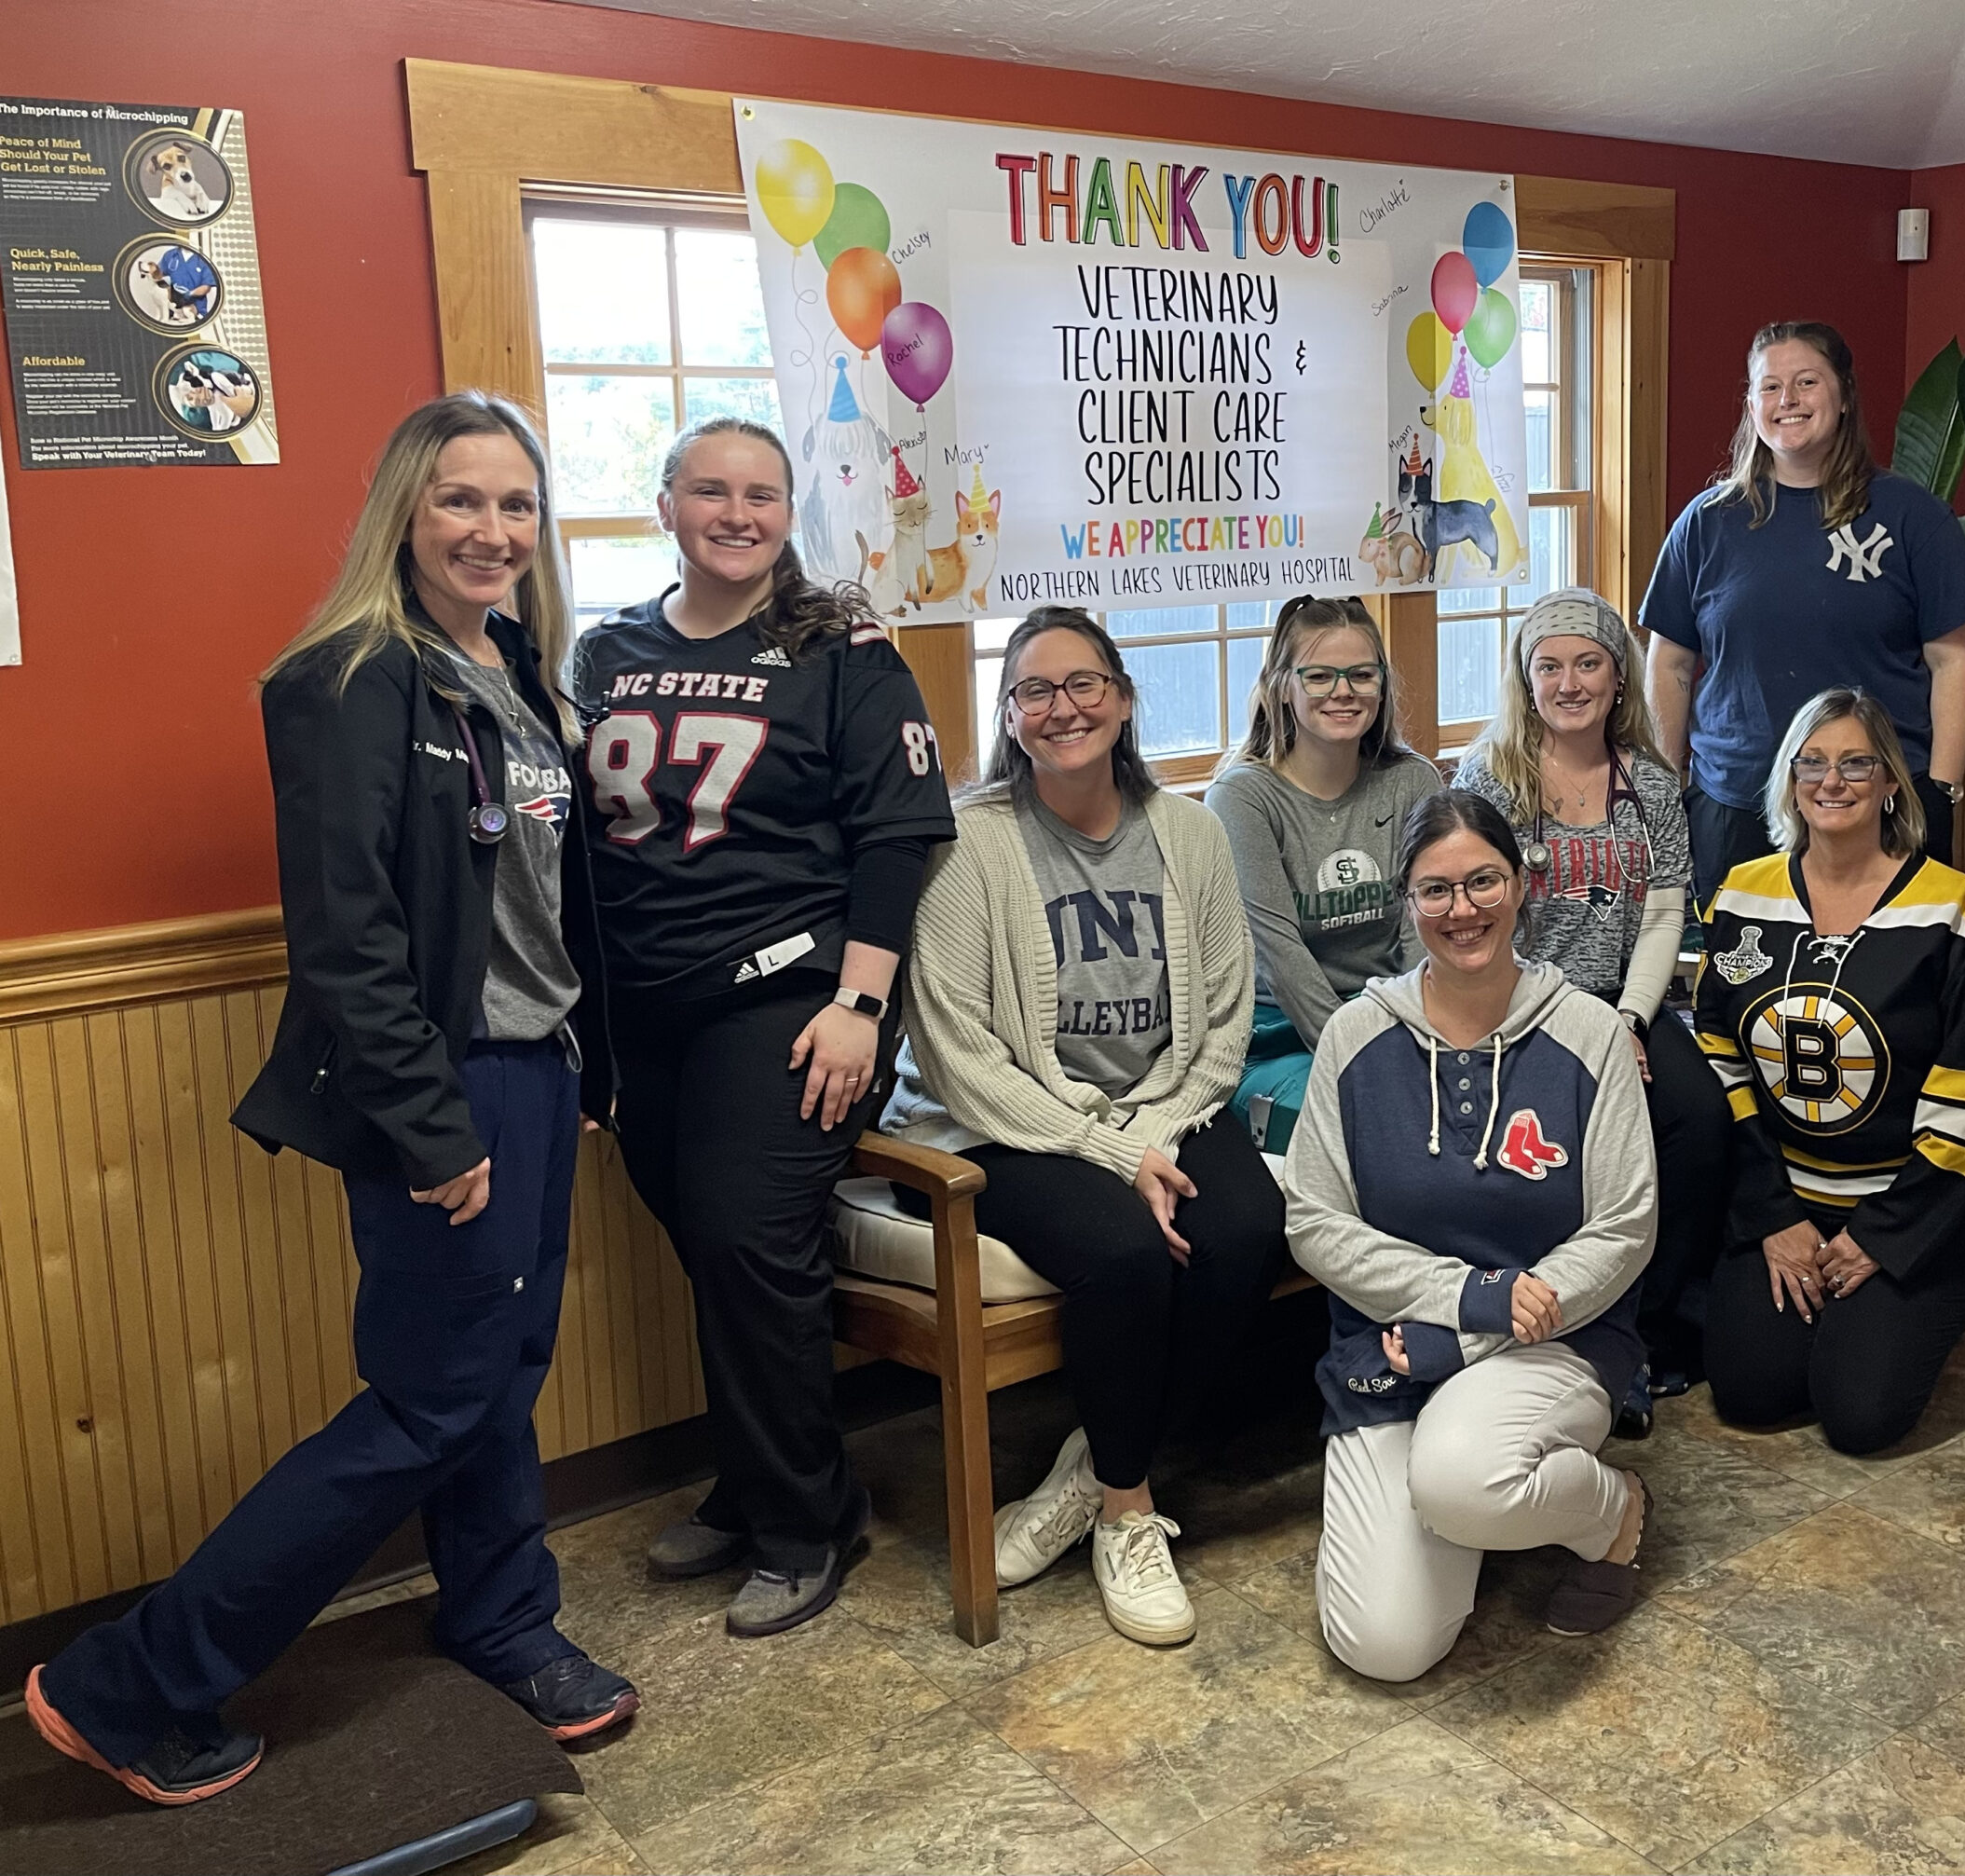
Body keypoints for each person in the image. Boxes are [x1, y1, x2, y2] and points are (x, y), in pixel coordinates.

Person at [27, 393, 636, 1805]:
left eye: (516, 505)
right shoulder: (352, 675)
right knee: (429, 1402)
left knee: (502, 1371)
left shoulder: (522, 674)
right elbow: (348, 934)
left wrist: (578, 1066)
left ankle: (502, 1618)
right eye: (461, 501)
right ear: (404, 515)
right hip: (447, 1086)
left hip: (537, 1072)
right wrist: (433, 1128)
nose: (493, 530)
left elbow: (548, 901)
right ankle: (131, 1684)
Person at [569, 417, 955, 1637]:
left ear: (790, 512)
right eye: (711, 491)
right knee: (712, 1249)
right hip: (648, 1006)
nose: (737, 513)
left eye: (763, 494)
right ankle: (753, 1480)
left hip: (793, 997)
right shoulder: (607, 651)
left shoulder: (841, 648)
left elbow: (901, 833)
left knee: (747, 1241)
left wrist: (860, 1001)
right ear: (667, 501)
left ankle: (809, 1520)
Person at [880, 608, 1286, 1648]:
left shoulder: (1188, 832)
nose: (1062, 708)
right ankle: (1126, 1516)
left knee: (1244, 1230)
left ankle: (1090, 1472)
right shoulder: (970, 846)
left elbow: (1226, 1019)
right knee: (1124, 1253)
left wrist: (1156, 1130)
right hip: (1004, 1127)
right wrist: (1115, 1153)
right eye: (1035, 692)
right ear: (1010, 717)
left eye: (1083, 684)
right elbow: (961, 1056)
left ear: (1123, 697)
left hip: (1168, 1106)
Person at [1287, 789, 1657, 1681]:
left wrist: (1473, 1338)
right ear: (1407, 906)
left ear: (1521, 884)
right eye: (1436, 891)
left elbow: (1625, 1226)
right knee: (1386, 1647)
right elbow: (1313, 1221)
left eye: (1484, 880)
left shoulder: (1589, 1033)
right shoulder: (1352, 1038)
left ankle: (1611, 1514)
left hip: (1552, 1339)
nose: (1464, 910)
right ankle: (1482, 1515)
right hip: (1391, 1352)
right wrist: (1467, 1300)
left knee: (1461, 1482)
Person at [1695, 688, 1965, 1455]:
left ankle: (1891, 1315)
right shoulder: (1742, 895)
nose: (1831, 782)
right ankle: (1836, 1315)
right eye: (1812, 763)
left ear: (1890, 783)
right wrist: (1774, 1216)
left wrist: (1880, 1237)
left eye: (1855, 763)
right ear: (1789, 778)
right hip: (1789, 1201)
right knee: (1751, 1391)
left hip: (1916, 1209)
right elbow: (1718, 1064)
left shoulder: (1954, 910)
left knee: (1859, 1417)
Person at [1453, 588, 1728, 1401]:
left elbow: (1663, 912)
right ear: (1525, 679)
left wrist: (1630, 1020)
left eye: (1588, 663)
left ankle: (1652, 1326)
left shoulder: (1648, 781)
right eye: (1549, 666)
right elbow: (1480, 920)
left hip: (1625, 1001)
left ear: (1617, 678)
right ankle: (1548, 1327)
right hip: (1519, 1004)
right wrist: (1572, 1022)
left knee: (1700, 1124)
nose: (1569, 682)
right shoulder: (1492, 778)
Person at [1643, 321, 1965, 903]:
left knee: (1879, 988)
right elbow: (1670, 665)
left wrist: (1942, 789)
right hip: (1735, 804)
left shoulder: (1913, 518)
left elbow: (1955, 661)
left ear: (1845, 395)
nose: (1788, 401)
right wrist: (1666, 786)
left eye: (1806, 382)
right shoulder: (1706, 522)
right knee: (1741, 987)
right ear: (1752, 406)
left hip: (1878, 802)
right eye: (1770, 388)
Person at [1207, 596, 1441, 1154]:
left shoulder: (1414, 782)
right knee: (1384, 1116)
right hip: (1278, 1040)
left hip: (1402, 1015)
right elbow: (1280, 956)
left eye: (1361, 674)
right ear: (1281, 686)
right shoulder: (1242, 797)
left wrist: (1427, 1037)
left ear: (1382, 685)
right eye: (1318, 676)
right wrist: (1364, 1054)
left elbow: (1422, 930)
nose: (1343, 691)